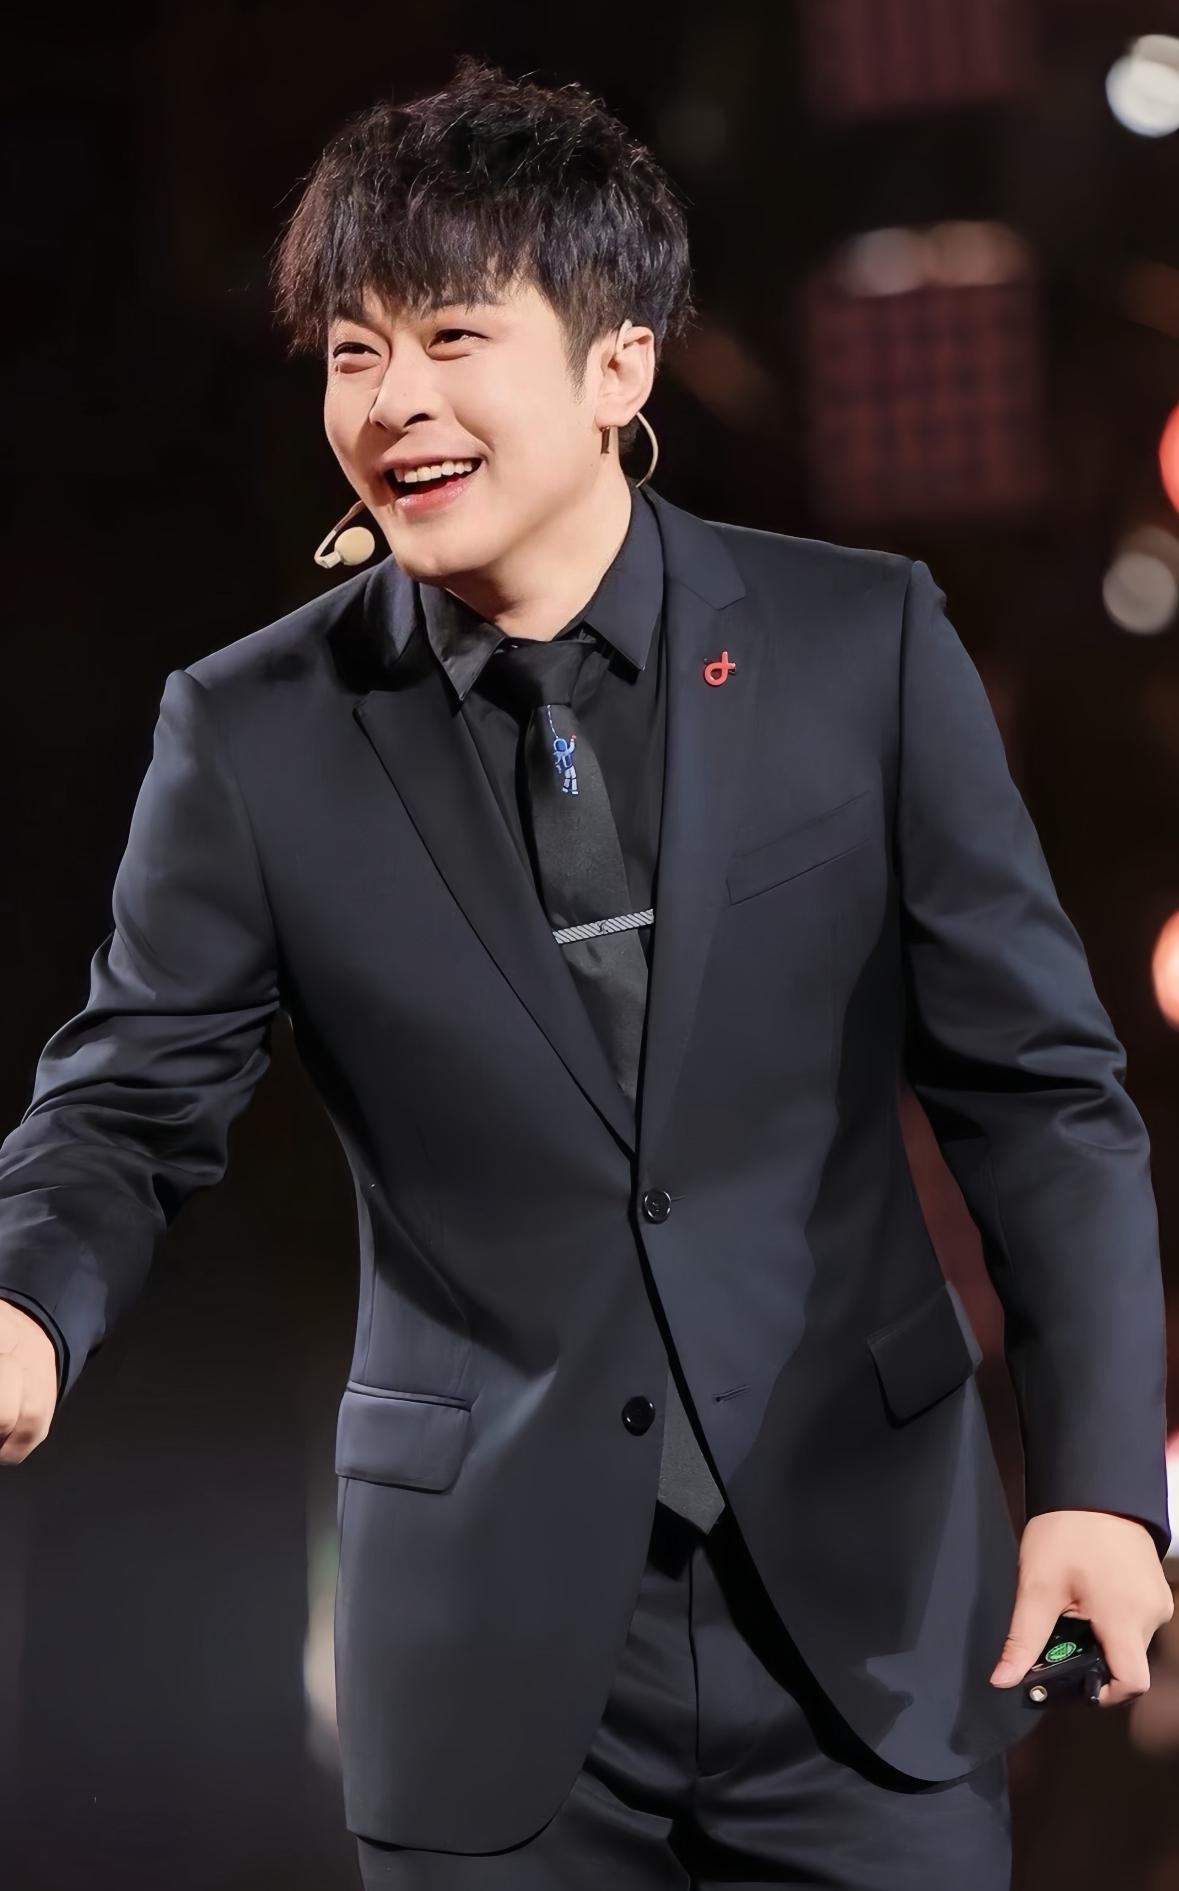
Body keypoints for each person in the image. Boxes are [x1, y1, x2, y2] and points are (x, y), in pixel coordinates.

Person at [0, 54, 1171, 1891]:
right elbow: (128, 1102)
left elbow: (1039, 1096)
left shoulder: (859, 645)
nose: (393, 402)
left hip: (866, 1623)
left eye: (453, 338)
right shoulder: (253, 732)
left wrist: (1099, 1480)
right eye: (354, 353)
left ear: (620, 363)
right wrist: (26, 1303)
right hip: (491, 1662)